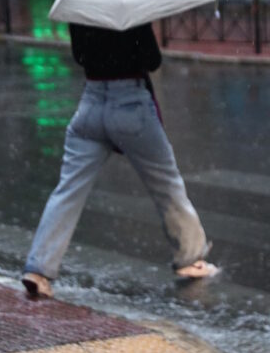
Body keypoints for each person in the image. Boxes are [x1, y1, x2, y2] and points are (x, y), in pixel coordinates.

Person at [22, 22, 217, 299]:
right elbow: (152, 60)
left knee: (67, 191)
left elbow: (80, 57)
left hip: (90, 105)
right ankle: (190, 259)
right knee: (167, 186)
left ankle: (38, 270)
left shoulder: (84, 8)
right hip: (131, 106)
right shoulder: (130, 12)